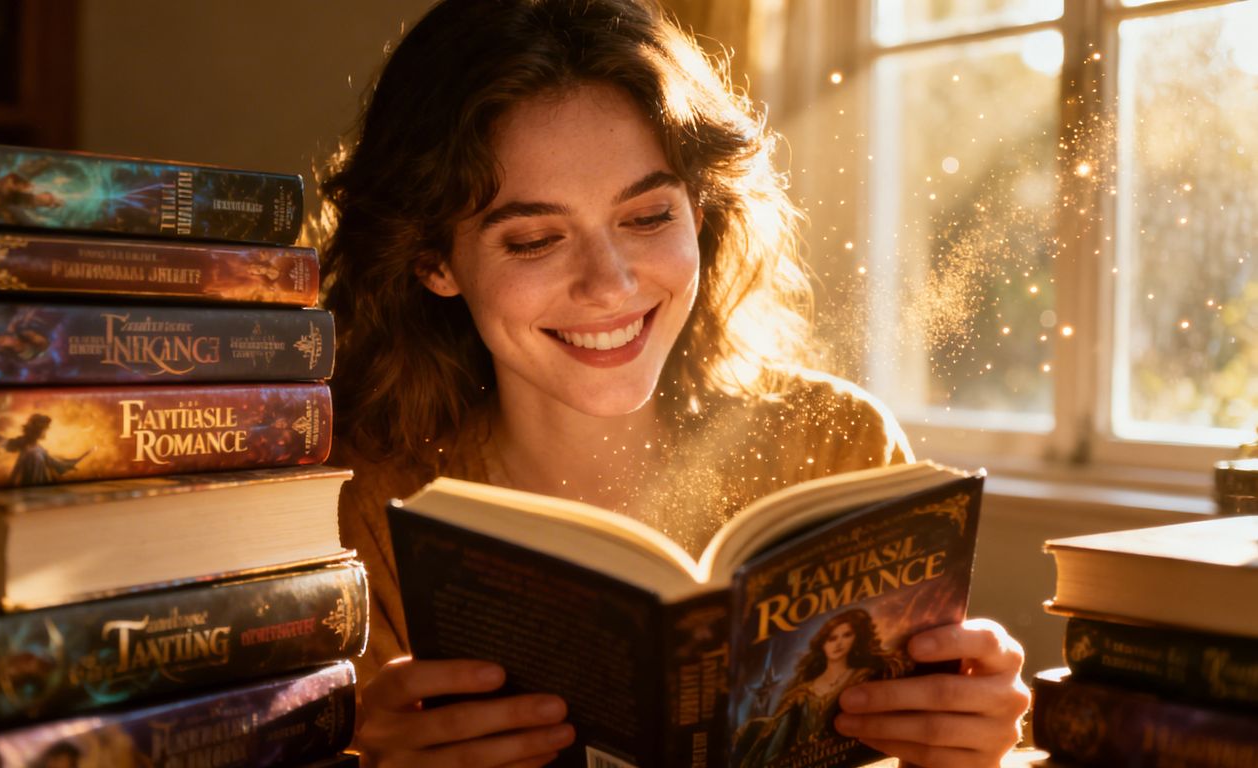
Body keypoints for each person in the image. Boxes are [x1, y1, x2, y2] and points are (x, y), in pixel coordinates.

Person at [319, 0, 1032, 765]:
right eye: (534, 240)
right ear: (434, 261)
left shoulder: (838, 442)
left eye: (648, 216)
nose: (611, 284)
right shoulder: (358, 505)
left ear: (701, 208)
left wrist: (967, 740)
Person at [734, 609, 908, 767]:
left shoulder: (865, 675)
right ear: (822, 644)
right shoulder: (803, 690)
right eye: (832, 638)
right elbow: (781, 736)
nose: (838, 643)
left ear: (856, 639)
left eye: (846, 635)